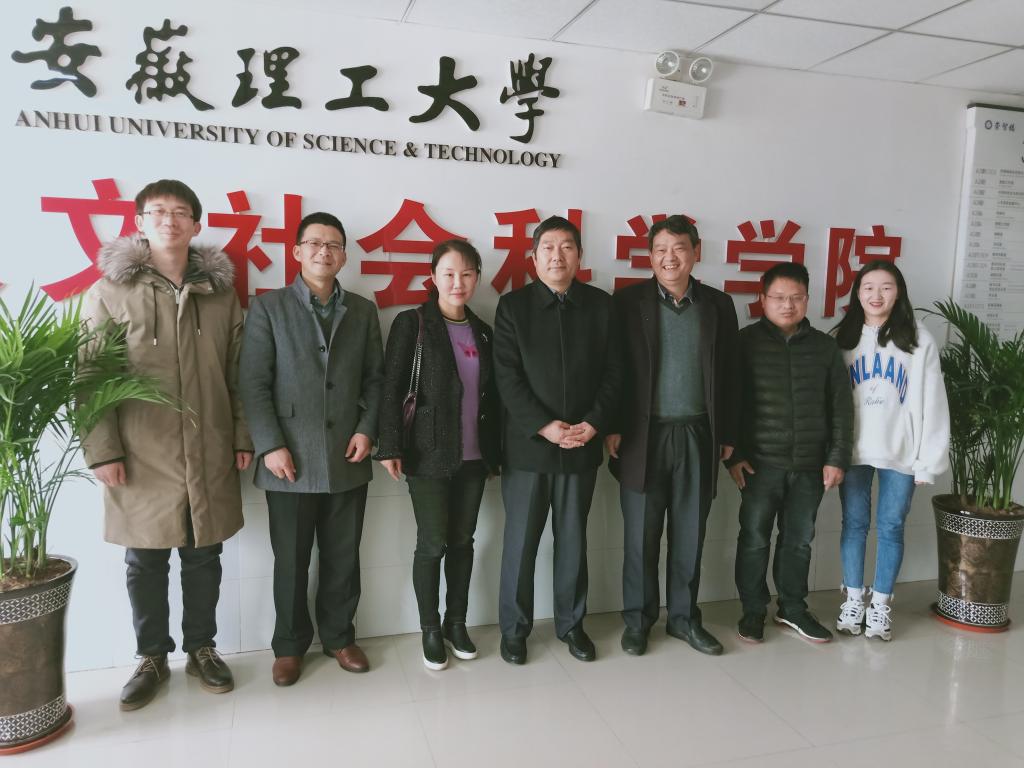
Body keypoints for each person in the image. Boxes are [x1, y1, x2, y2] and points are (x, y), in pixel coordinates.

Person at [83, 179, 253, 710]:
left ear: (196, 225)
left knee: (205, 554)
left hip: (208, 443)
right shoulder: (110, 292)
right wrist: (103, 449)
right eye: (158, 212)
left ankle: (202, 648)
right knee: (145, 558)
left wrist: (241, 435)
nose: (169, 221)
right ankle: (151, 656)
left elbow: (239, 373)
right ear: (139, 223)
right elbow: (91, 376)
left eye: (181, 213)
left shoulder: (220, 295)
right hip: (140, 450)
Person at [239, 211, 383, 686]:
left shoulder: (362, 310)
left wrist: (367, 429)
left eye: (334, 244)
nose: (325, 251)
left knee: (344, 556)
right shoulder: (269, 307)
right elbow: (253, 384)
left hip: (347, 454)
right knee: (291, 561)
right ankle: (288, 646)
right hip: (289, 460)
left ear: (344, 256)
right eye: (315, 243)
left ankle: (340, 637)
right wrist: (270, 445)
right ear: (297, 251)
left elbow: (375, 380)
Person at [606, 215, 739, 656]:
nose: (670, 258)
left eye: (679, 248)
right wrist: (612, 425)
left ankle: (684, 619)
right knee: (640, 538)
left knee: (689, 534)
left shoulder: (719, 305)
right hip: (642, 437)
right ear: (650, 256)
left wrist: (728, 432)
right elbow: (614, 370)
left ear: (696, 252)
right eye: (661, 250)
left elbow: (730, 375)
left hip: (698, 433)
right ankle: (638, 620)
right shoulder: (627, 303)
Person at [493, 215, 621, 665]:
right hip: (529, 449)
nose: (557, 256)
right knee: (521, 544)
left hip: (581, 446)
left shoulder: (601, 306)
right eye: (548, 247)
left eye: (567, 247)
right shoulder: (513, 307)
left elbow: (615, 372)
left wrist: (595, 423)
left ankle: (571, 625)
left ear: (579, 256)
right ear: (533, 257)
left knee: (573, 542)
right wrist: (544, 426)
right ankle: (514, 630)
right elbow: (507, 378)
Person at [375, 240, 501, 670]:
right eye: (448, 273)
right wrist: (390, 446)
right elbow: (391, 388)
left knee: (463, 541)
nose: (457, 282)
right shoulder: (413, 323)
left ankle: (456, 623)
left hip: (474, 457)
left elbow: (492, 397)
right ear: (433, 277)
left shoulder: (483, 330)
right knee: (431, 543)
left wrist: (495, 452)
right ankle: (430, 628)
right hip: (426, 452)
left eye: (466, 274)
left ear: (477, 278)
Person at [728, 262, 853, 644]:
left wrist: (836, 458)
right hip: (759, 465)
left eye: (796, 298)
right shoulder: (744, 343)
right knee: (754, 539)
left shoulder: (825, 348)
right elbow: (730, 403)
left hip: (810, 465)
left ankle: (793, 608)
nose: (787, 305)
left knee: (798, 541)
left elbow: (841, 408)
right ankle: (752, 610)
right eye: (779, 297)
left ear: (807, 300)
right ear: (762, 299)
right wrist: (734, 457)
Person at [832, 261, 949, 640]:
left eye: (886, 287)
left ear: (898, 292)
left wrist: (927, 461)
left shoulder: (918, 339)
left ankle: (880, 604)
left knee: (891, 526)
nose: (876, 295)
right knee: (853, 524)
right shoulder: (842, 337)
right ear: (857, 292)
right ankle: (853, 599)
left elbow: (934, 401)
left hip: (901, 450)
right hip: (853, 450)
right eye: (868, 287)